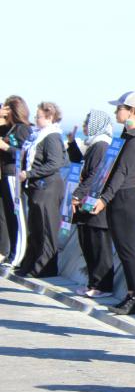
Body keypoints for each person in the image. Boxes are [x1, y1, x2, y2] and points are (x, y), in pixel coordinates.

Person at [94, 91, 135, 315]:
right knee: (124, 249)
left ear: (131, 111)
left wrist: (104, 199)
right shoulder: (132, 135)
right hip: (125, 196)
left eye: (119, 108)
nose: (115, 112)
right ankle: (133, 294)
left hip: (126, 197)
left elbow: (121, 171)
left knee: (129, 249)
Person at [15, 102, 68, 277]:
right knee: (36, 228)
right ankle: (30, 263)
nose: (35, 120)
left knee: (46, 228)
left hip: (48, 188)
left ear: (50, 117)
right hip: (36, 187)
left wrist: (29, 173)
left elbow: (55, 163)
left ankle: (45, 267)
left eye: (38, 117)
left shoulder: (51, 136)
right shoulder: (38, 136)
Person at [68, 109, 115, 297]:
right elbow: (82, 166)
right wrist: (72, 144)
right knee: (88, 244)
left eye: (87, 123)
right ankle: (93, 283)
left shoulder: (101, 145)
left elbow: (94, 175)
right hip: (88, 201)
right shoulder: (94, 144)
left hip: (95, 203)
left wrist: (77, 195)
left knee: (98, 246)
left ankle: (102, 286)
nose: (85, 126)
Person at [0, 96, 32, 264]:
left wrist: (6, 147)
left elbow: (23, 153)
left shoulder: (22, 129)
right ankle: (9, 252)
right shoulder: (10, 128)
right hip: (6, 174)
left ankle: (17, 256)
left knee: (16, 216)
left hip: (14, 174)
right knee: (8, 216)